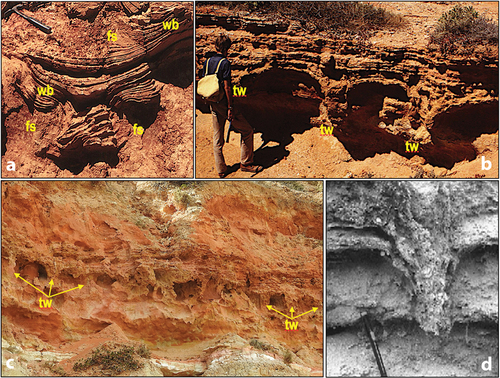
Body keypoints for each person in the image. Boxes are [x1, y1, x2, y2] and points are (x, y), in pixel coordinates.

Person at [202, 33, 263, 178]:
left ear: (216, 46)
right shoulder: (225, 63)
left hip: (212, 101)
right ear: (227, 48)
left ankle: (221, 170)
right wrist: (230, 107)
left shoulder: (208, 61)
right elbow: (227, 87)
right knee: (247, 131)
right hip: (223, 102)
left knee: (217, 138)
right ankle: (246, 164)